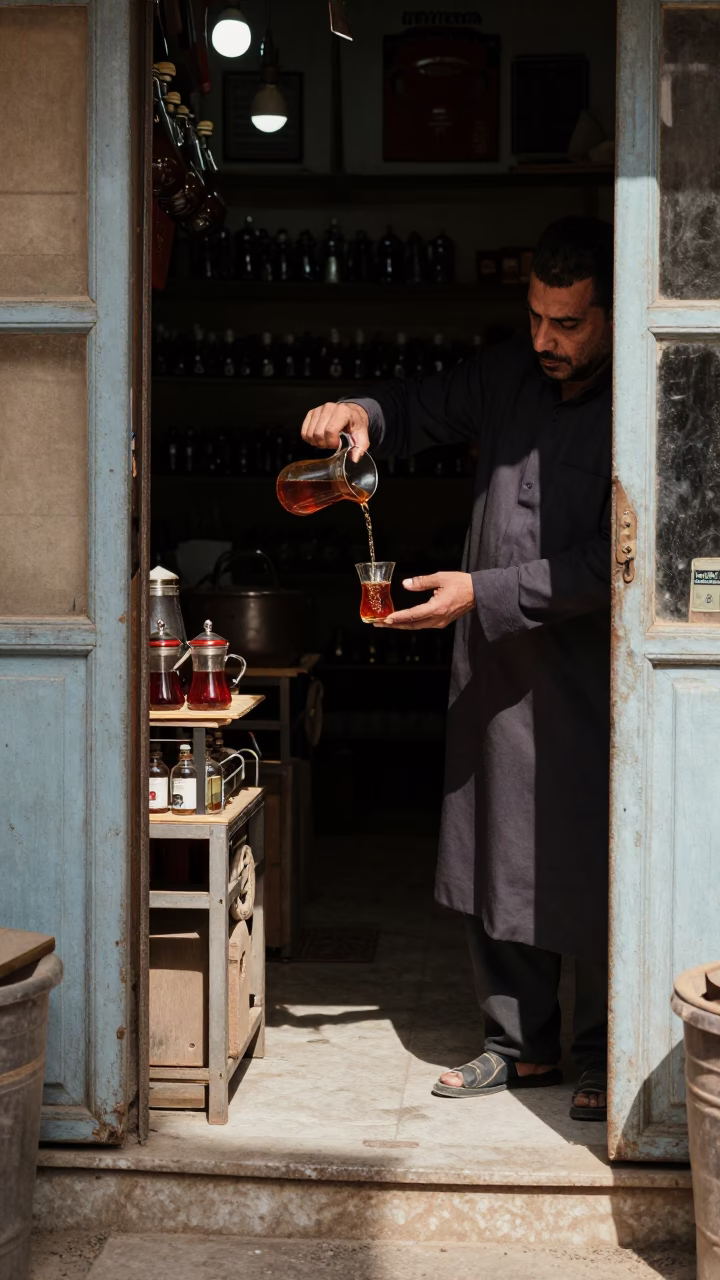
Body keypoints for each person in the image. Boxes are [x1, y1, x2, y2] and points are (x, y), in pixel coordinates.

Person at [301, 217, 613, 1120]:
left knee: (589, 852)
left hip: (587, 669)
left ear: (609, 314)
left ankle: (600, 1045)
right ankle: (518, 1046)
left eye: (568, 324)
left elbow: (615, 559)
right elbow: (420, 405)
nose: (546, 341)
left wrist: (483, 591)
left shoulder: (642, 397)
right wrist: (363, 414)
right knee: (498, 849)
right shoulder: (508, 373)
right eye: (536, 318)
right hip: (496, 664)